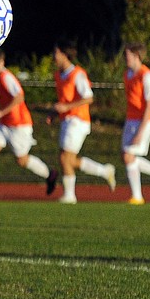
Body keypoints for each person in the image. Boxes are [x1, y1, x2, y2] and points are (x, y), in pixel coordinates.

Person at [0, 49, 58, 200]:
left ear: (1, 63)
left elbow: (19, 97)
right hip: (5, 124)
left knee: (22, 160)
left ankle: (49, 174)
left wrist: (0, 113)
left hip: (19, 125)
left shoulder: (6, 77)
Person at [46, 40, 116, 204]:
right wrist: (54, 114)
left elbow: (88, 97)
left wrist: (66, 107)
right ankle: (104, 171)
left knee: (65, 158)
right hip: (67, 120)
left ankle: (70, 196)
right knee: (69, 160)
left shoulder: (77, 74)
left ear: (64, 54)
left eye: (56, 53)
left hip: (78, 120)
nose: (53, 56)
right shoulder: (59, 75)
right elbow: (64, 101)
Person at [121, 42, 150, 204]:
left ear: (137, 56)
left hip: (146, 119)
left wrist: (140, 132)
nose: (125, 58)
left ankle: (137, 197)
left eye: (128, 55)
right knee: (126, 156)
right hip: (131, 119)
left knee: (129, 156)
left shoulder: (146, 76)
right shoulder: (127, 74)